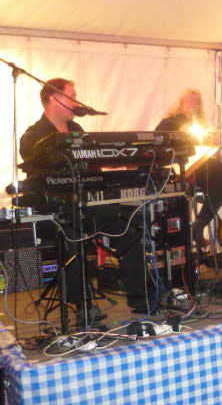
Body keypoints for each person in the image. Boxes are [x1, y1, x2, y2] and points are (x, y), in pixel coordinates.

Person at [20, 78, 148, 322]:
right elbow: (41, 178)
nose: (76, 102)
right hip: (55, 211)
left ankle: (142, 298)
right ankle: (82, 305)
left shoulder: (78, 130)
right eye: (72, 96)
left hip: (87, 205)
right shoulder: (33, 136)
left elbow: (94, 167)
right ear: (54, 99)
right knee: (71, 237)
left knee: (129, 231)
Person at [155, 88, 222, 263]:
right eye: (190, 100)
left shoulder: (200, 124)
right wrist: (180, 135)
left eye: (197, 101)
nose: (194, 104)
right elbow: (157, 146)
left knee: (220, 184)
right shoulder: (169, 122)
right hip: (181, 169)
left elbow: (206, 148)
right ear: (181, 102)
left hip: (201, 167)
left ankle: (198, 226)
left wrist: (209, 142)